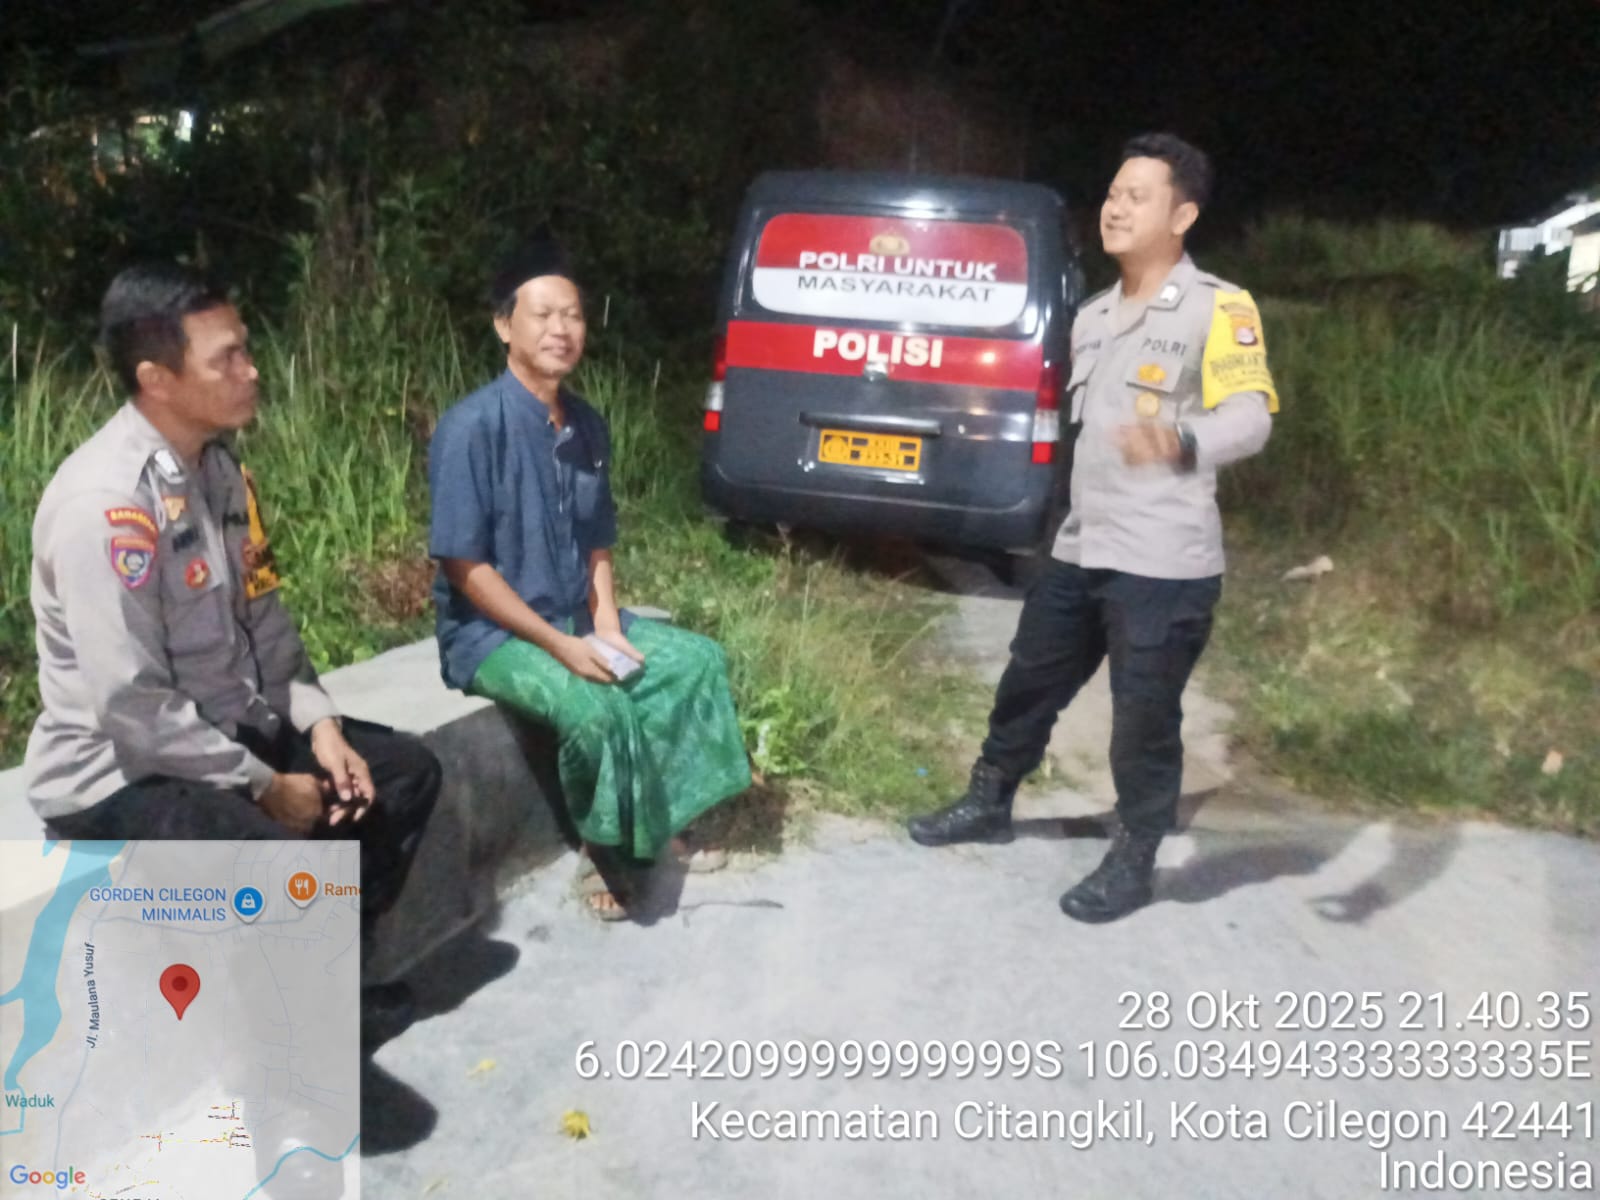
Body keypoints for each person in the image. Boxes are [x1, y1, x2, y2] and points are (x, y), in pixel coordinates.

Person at [25, 262, 441, 1045]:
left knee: (399, 776)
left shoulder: (216, 471)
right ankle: (270, 1043)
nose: (251, 371)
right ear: (157, 379)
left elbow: (267, 624)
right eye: (227, 359)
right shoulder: (106, 507)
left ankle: (322, 995)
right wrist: (264, 785)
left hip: (220, 731)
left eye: (246, 349)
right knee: (276, 864)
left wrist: (321, 727)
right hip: (121, 774)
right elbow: (132, 708)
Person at [908, 133, 1278, 923]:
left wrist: (1181, 439)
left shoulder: (1220, 307)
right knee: (1028, 682)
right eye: (1112, 193)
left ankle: (1135, 857)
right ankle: (989, 801)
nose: (1115, 207)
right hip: (1082, 547)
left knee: (1143, 719)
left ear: (1182, 215)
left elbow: (1251, 419)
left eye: (1137, 196)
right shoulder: (1093, 316)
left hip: (1164, 562)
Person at [428, 238, 750, 920]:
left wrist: (605, 625)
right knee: (593, 709)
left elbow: (597, 537)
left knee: (695, 662)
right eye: (542, 315)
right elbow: (465, 567)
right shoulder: (470, 428)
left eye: (572, 315)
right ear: (504, 325)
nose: (561, 329)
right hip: (494, 637)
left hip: (577, 616)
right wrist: (561, 646)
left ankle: (665, 818)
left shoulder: (587, 424)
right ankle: (602, 852)